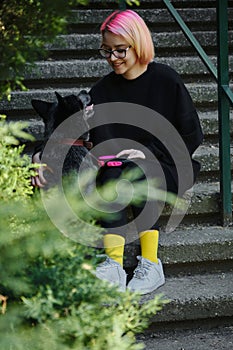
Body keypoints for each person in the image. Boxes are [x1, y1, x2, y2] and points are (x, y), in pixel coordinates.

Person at [32, 9, 203, 295]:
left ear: (138, 44)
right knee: (115, 170)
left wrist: (149, 153)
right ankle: (113, 266)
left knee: (131, 169)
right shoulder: (102, 90)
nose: (112, 58)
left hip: (167, 165)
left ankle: (151, 262)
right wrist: (39, 157)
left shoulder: (166, 80)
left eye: (120, 50)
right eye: (106, 51)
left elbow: (191, 135)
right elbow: (65, 128)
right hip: (114, 171)